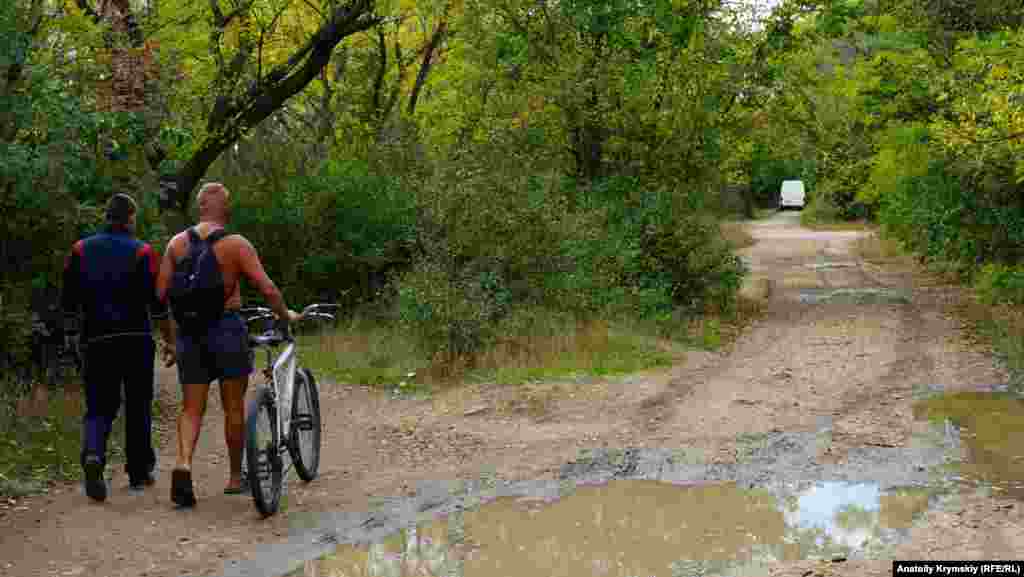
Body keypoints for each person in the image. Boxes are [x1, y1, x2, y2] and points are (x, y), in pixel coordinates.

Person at [156, 182, 300, 508]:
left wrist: (171, 338)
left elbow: (159, 297)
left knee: (192, 408)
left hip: (191, 334)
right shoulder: (236, 244)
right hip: (226, 329)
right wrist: (284, 315)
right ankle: (236, 478)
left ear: (199, 207)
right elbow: (267, 288)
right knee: (233, 407)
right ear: (223, 208)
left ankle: (183, 463)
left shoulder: (176, 245)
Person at [61, 193, 177, 502]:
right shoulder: (143, 252)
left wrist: (72, 335)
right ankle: (138, 471)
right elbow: (158, 303)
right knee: (138, 404)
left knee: (99, 405)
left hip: (95, 339)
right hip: (135, 339)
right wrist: (170, 338)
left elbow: (68, 299)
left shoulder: (81, 249)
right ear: (129, 218)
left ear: (106, 216)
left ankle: (94, 454)